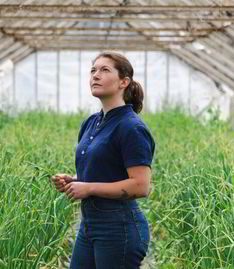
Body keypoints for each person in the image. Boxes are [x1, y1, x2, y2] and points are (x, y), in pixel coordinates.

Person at [51, 51, 156, 269]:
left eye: (104, 70)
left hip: (119, 228)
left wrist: (88, 188)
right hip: (89, 225)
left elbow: (140, 185)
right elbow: (107, 172)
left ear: (123, 82)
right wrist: (74, 180)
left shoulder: (131, 127)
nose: (95, 75)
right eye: (93, 70)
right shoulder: (91, 122)